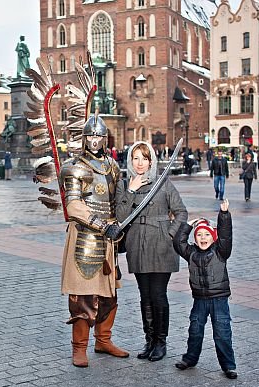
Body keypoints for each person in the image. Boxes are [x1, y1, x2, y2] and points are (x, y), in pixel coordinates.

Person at [60, 114, 129, 368]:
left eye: (99, 135)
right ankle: (79, 348)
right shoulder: (75, 166)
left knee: (109, 294)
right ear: (84, 137)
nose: (95, 140)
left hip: (110, 238)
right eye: (91, 135)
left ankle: (103, 340)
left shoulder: (112, 165)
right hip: (86, 237)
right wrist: (101, 225)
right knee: (84, 296)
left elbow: (118, 200)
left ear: (106, 137)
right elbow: (74, 206)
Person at [116, 142, 188, 362]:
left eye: (144, 158)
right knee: (144, 295)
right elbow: (119, 216)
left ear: (151, 161)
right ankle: (149, 340)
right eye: (135, 158)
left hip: (160, 244)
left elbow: (181, 212)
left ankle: (161, 342)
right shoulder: (124, 184)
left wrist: (169, 234)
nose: (140, 163)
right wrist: (131, 190)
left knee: (158, 295)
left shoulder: (163, 183)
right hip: (137, 243)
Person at [172, 199, 237, 380]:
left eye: (206, 235)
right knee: (195, 329)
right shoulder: (191, 253)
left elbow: (225, 236)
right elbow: (178, 243)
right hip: (199, 300)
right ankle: (190, 359)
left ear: (213, 238)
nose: (202, 238)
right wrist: (188, 225)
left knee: (222, 333)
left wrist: (224, 215)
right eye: (199, 235)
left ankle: (229, 366)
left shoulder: (220, 252)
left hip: (219, 300)